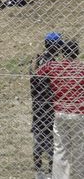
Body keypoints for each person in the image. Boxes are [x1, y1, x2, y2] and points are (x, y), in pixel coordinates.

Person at [37, 40, 83, 178]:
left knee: (60, 148)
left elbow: (38, 73)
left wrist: (40, 59)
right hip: (79, 112)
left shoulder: (53, 66)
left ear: (62, 52)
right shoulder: (81, 68)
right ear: (77, 53)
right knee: (80, 147)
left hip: (60, 111)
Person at [29, 32, 62, 177]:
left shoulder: (38, 60)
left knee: (38, 135)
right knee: (49, 137)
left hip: (37, 103)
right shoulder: (53, 64)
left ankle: (38, 170)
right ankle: (50, 170)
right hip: (49, 104)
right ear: (56, 46)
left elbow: (32, 80)